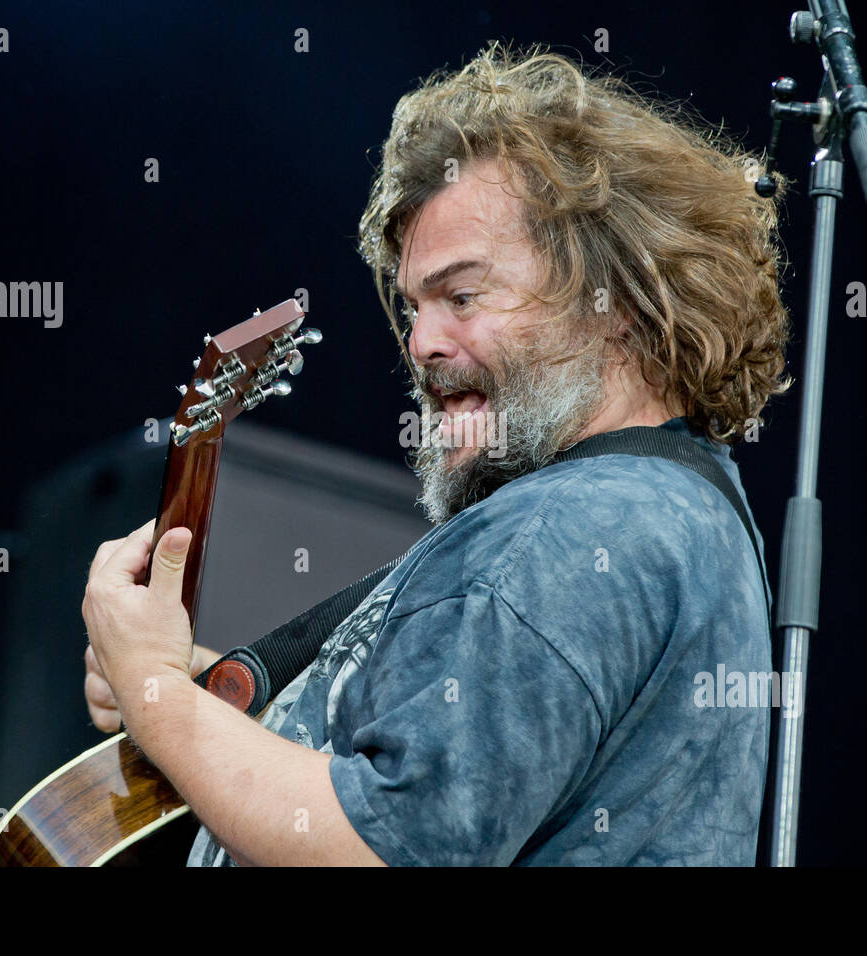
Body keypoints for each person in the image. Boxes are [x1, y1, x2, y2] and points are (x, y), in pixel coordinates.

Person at [80, 42, 792, 866]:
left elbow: (379, 848)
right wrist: (194, 691)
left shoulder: (569, 532)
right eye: (414, 307)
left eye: (462, 296)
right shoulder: (670, 505)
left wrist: (157, 693)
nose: (420, 343)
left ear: (618, 301)